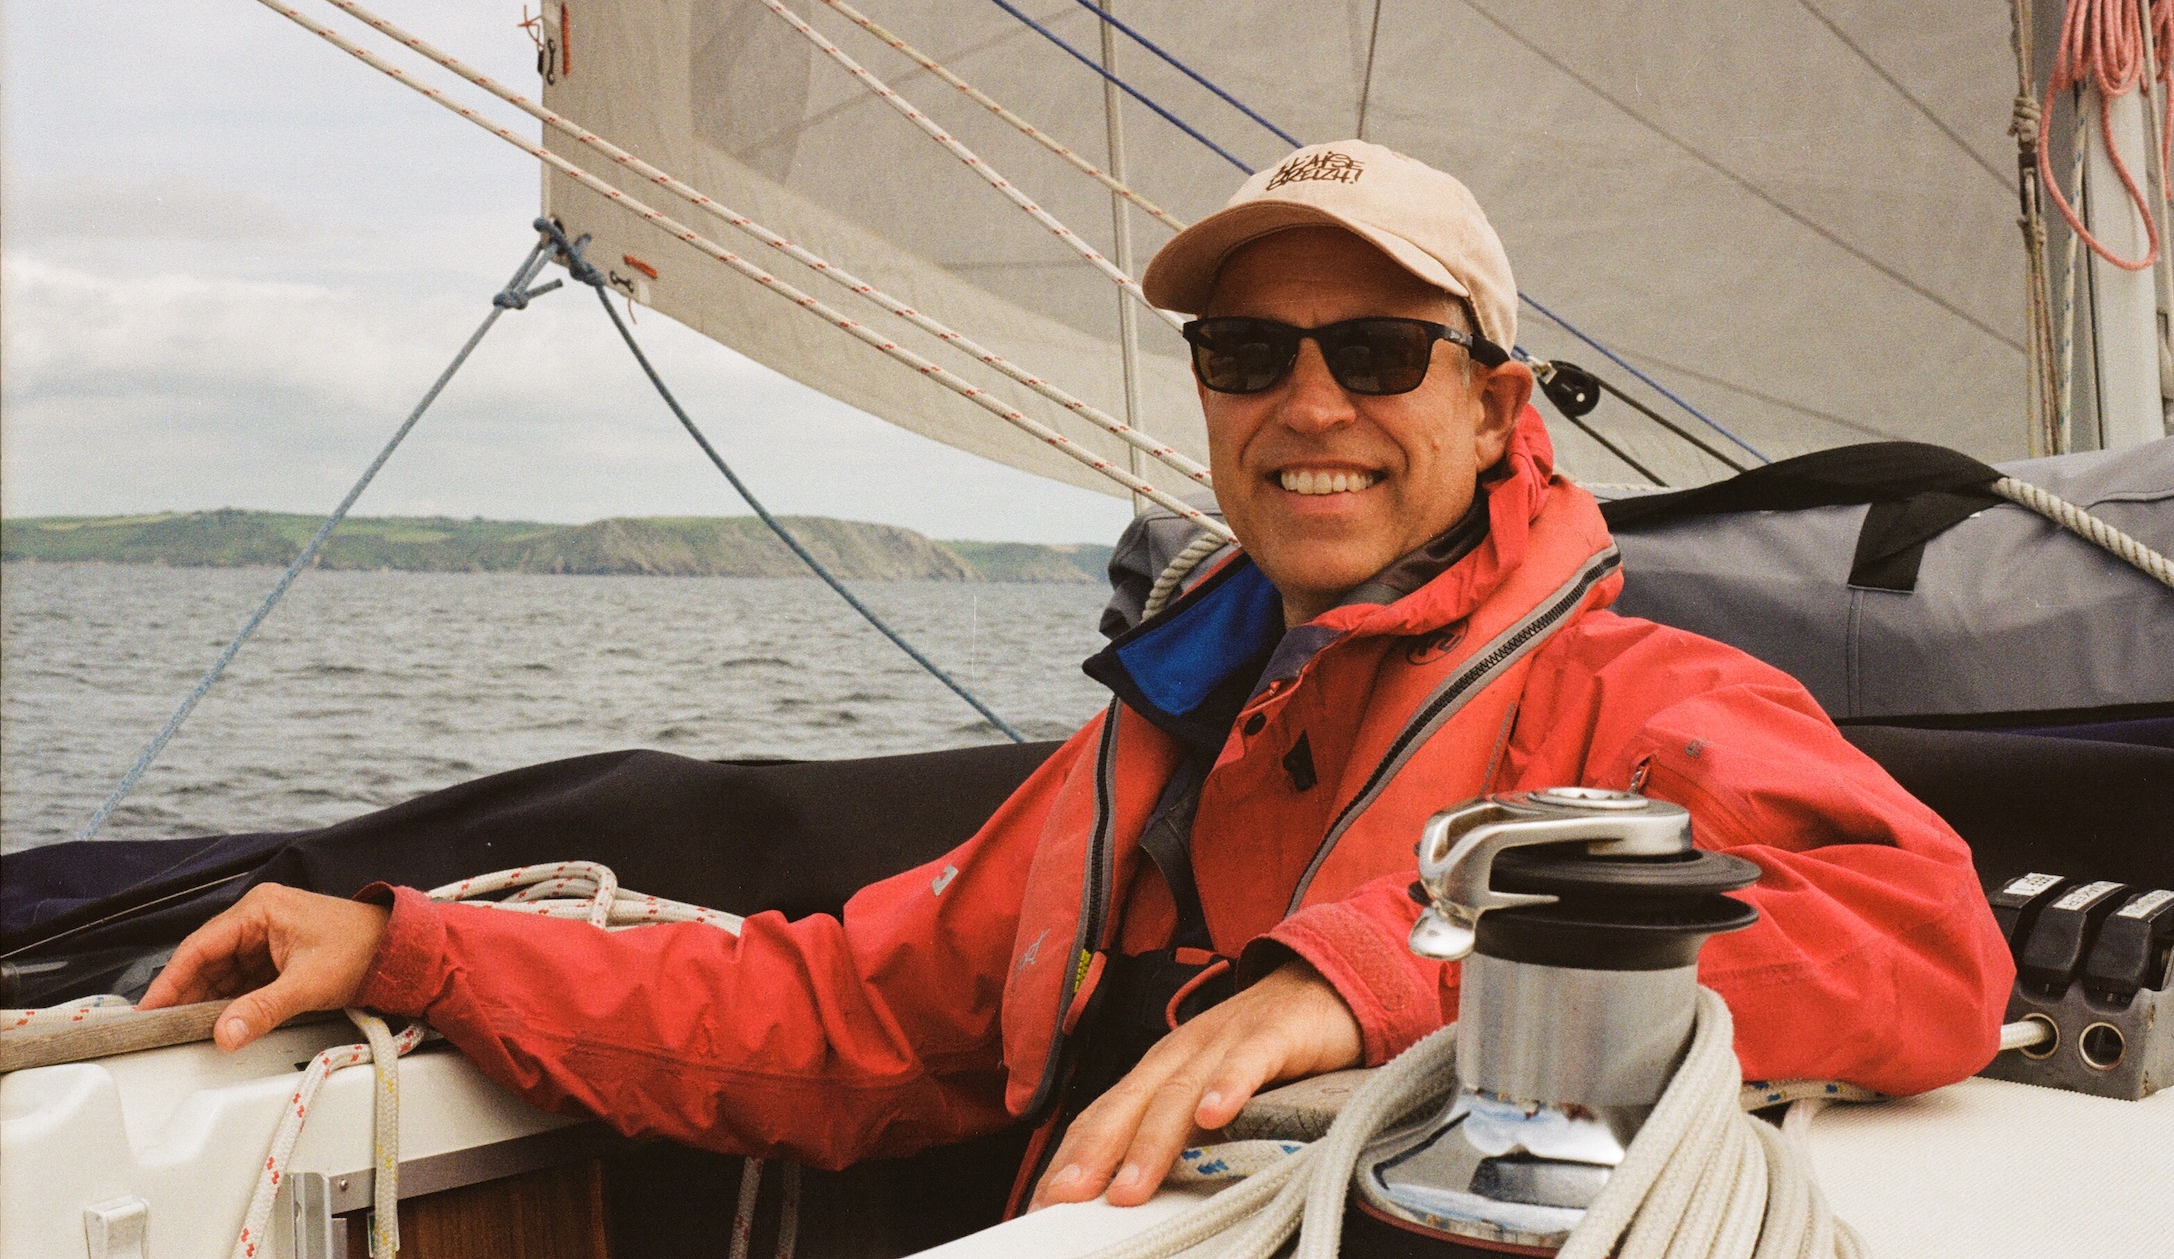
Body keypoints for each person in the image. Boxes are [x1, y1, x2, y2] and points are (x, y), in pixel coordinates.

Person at [141, 140, 2013, 1215]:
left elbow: (1923, 943)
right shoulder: (1168, 739)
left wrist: (1364, 978)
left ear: (1492, 403)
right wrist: (416, 949)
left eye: (1377, 349)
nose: (1307, 403)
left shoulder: (1635, 698)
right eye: (1245, 353)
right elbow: (841, 1013)